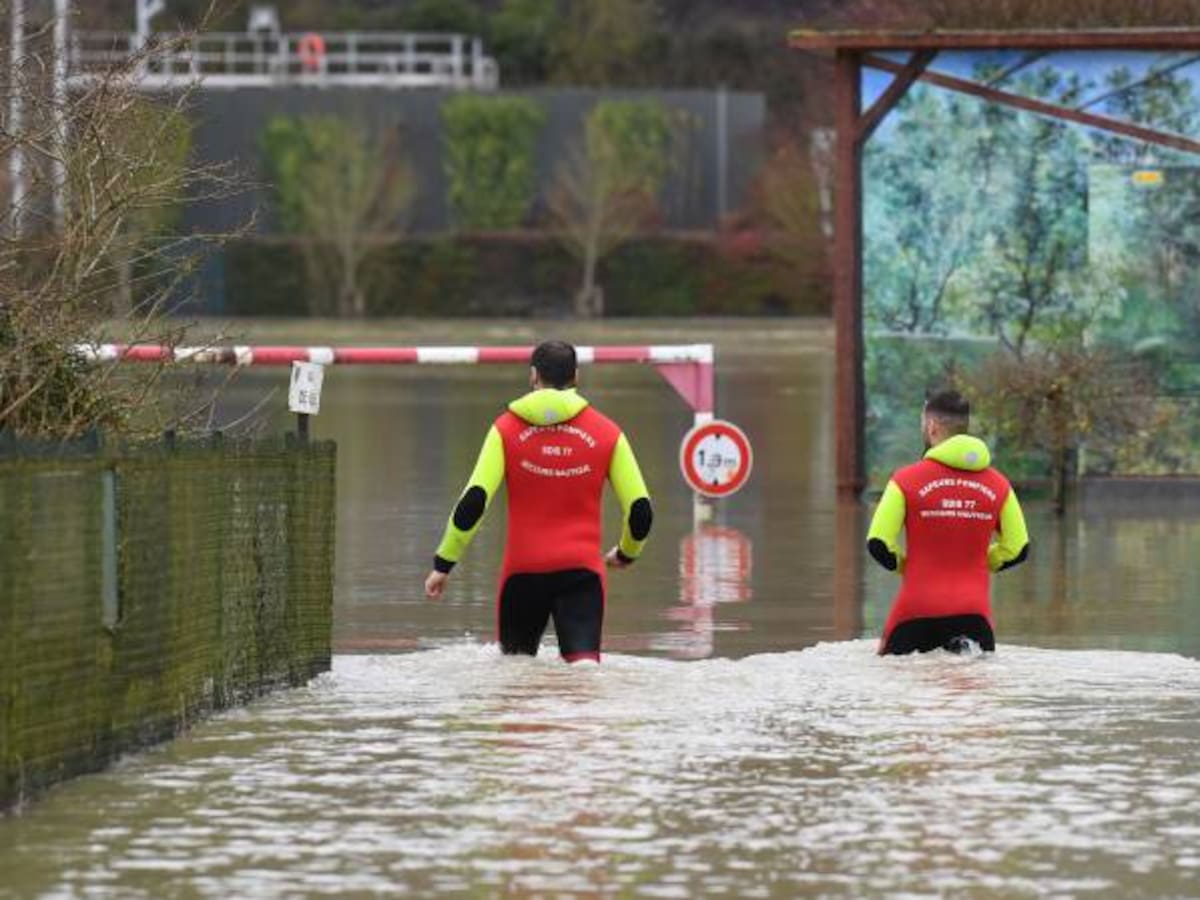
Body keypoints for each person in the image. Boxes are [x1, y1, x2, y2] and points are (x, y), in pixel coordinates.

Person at [424, 340, 652, 663]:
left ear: (533, 375)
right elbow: (641, 510)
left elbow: (473, 503)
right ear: (576, 376)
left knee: (515, 672)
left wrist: (443, 564)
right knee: (584, 673)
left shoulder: (505, 429)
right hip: (582, 575)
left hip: (522, 575)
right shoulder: (608, 433)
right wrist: (627, 552)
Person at [866, 390, 1030, 655]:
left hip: (914, 614)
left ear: (931, 426)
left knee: (897, 679)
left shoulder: (904, 480)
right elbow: (1018, 548)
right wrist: (977, 561)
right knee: (971, 681)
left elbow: (878, 544)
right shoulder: (1000, 485)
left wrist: (909, 565)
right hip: (974, 616)